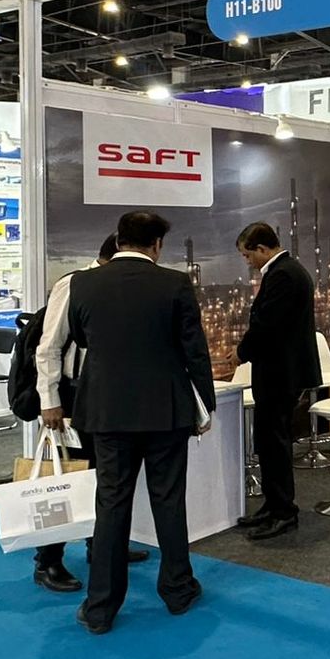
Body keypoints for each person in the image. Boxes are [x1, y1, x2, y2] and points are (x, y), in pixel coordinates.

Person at [67, 211, 215, 634]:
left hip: (107, 412)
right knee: (169, 501)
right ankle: (178, 590)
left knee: (111, 505)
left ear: (118, 240)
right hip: (165, 411)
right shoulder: (175, 284)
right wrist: (204, 406)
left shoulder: (83, 283)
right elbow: (194, 350)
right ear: (157, 245)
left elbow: (81, 337)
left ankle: (100, 607)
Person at [32, 233, 148, 593]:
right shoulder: (74, 285)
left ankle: (102, 547)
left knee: (107, 477)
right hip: (71, 396)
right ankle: (48, 560)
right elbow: (48, 347)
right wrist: (49, 399)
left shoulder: (113, 287)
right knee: (65, 477)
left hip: (106, 396)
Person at [234, 221, 321, 541]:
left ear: (261, 248)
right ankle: (273, 505)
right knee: (270, 441)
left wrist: (241, 352)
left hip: (280, 372)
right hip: (281, 370)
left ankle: (283, 511)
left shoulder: (283, 274)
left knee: (275, 443)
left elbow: (267, 325)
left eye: (248, 255)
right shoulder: (288, 270)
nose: (248, 262)